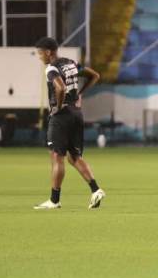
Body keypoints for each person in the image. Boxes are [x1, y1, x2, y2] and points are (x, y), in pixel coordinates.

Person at [33, 37, 105, 210]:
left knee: (57, 157)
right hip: (76, 113)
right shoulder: (71, 63)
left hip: (62, 116)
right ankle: (96, 190)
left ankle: (54, 200)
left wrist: (57, 108)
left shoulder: (51, 68)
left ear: (49, 52)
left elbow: (61, 88)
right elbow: (95, 76)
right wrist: (80, 93)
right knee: (74, 157)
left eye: (40, 53)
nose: (40, 57)